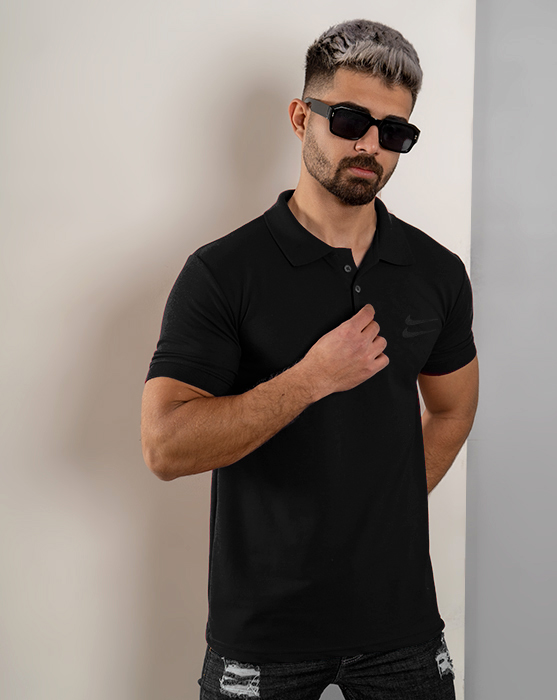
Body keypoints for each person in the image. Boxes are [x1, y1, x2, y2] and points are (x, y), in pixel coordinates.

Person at [141, 18, 478, 700]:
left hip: (401, 629)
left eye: (394, 132)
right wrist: (310, 379)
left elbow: (451, 411)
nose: (370, 145)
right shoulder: (222, 272)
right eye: (350, 120)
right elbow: (165, 446)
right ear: (301, 118)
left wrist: (386, 509)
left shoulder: (436, 272)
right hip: (262, 634)